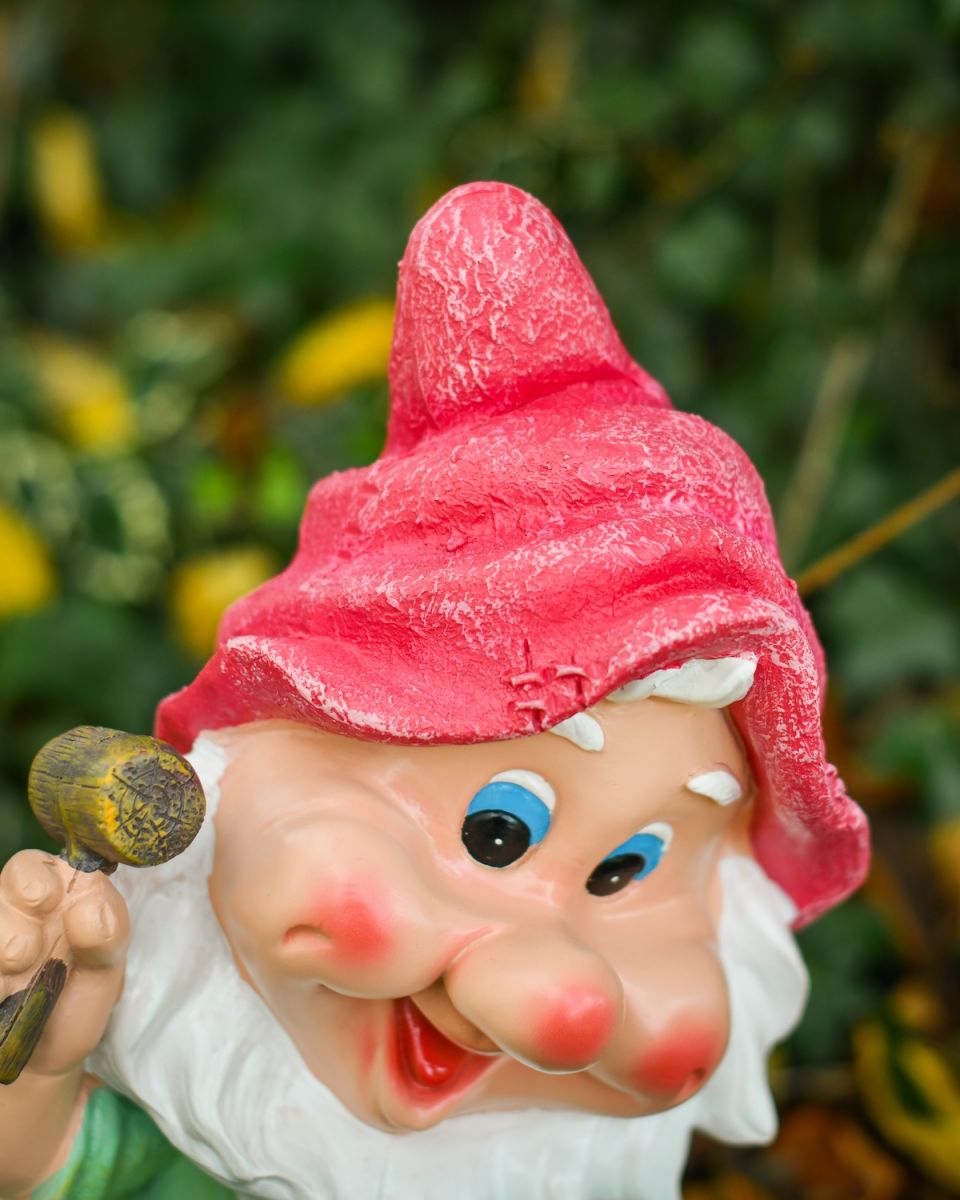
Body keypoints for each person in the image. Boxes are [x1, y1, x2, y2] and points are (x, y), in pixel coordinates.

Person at [0, 182, 869, 1200]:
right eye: (494, 833)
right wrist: (39, 1082)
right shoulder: (208, 1147)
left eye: (627, 872)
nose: (560, 1003)